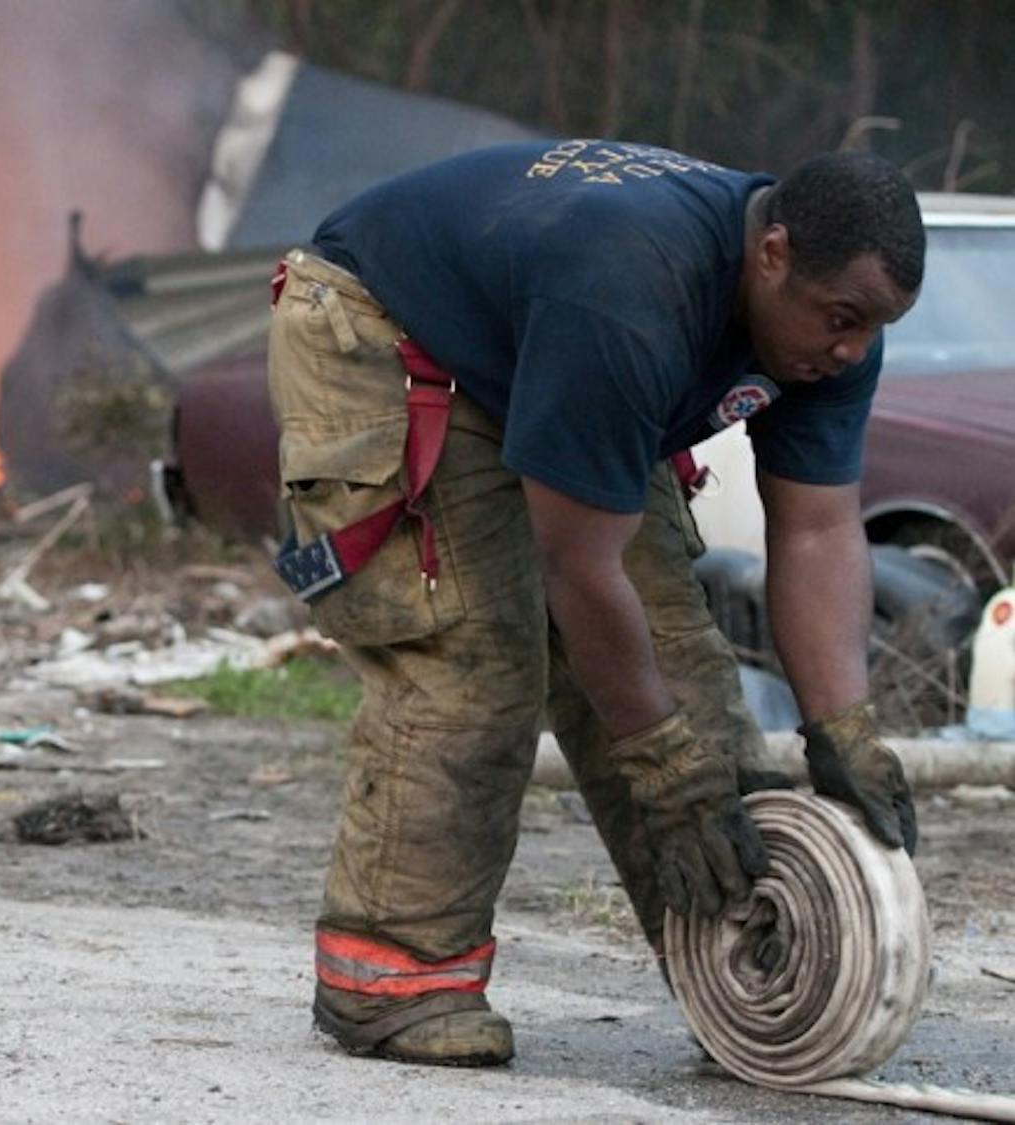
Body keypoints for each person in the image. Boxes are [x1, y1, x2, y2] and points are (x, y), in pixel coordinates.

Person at [266, 139, 924, 1067]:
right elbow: (577, 567)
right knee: (479, 657)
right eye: (842, 320)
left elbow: (816, 531)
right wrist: (662, 767)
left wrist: (841, 729)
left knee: (680, 665)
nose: (852, 349)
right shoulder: (628, 288)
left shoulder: (830, 325)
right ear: (771, 253)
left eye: (873, 327)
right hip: (390, 330)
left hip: (538, 340)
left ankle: (739, 968)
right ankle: (394, 978)